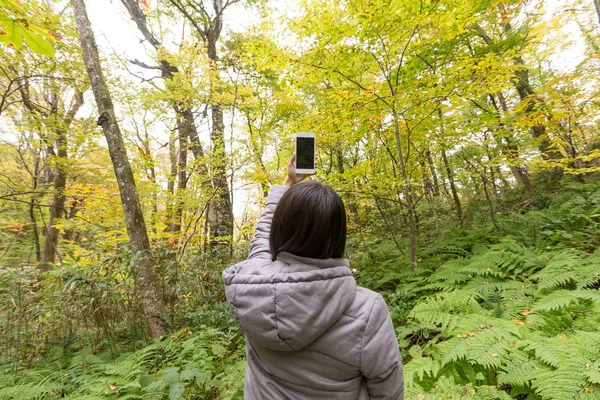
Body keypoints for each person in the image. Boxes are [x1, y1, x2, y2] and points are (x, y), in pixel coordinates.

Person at [222, 154, 404, 399]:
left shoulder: (251, 286)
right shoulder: (367, 311)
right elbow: (388, 391)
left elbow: (262, 239)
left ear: (280, 230)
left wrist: (288, 182)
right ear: (338, 234)